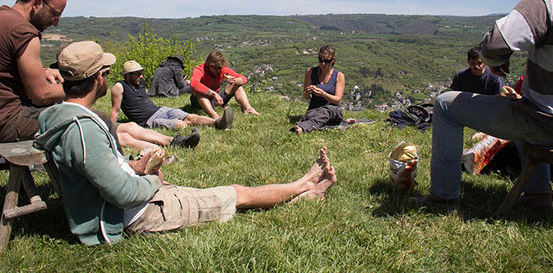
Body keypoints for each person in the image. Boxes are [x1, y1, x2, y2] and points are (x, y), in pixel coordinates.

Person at [35, 41, 337, 245]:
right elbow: (121, 192)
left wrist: (134, 165)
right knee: (236, 193)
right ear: (99, 78)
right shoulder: (82, 128)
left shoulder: (64, 117)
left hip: (140, 198)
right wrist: (151, 179)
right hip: (139, 213)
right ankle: (305, 185)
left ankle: (303, 192)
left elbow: (97, 169)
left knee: (220, 192)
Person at [412, 0, 553, 211]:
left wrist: (500, 64)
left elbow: (493, 45)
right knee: (526, 105)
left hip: (549, 125)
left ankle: (443, 198)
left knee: (445, 105)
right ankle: (538, 197)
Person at [0, 0, 67, 144]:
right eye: (55, 14)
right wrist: (80, 86)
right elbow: (41, 95)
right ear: (37, 3)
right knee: (89, 120)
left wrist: (42, 72)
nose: (55, 23)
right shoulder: (23, 32)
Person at [110, 60, 233, 136]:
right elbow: (116, 110)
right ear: (128, 75)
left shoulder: (140, 83)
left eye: (141, 73)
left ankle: (219, 123)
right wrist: (109, 127)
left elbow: (143, 96)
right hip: (147, 120)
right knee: (181, 124)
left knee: (189, 116)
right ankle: (205, 127)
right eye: (137, 73)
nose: (141, 76)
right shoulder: (120, 86)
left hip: (160, 109)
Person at [292, 45, 356, 134]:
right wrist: (308, 92)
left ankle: (303, 127)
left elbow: (337, 99)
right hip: (314, 109)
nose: (323, 64)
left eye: (327, 61)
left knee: (326, 111)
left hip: (333, 110)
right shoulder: (310, 72)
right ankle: (337, 122)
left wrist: (323, 94)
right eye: (321, 60)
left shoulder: (339, 76)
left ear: (333, 61)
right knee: (317, 115)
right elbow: (307, 96)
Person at [190, 51, 259, 119]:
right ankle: (214, 115)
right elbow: (194, 84)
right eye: (214, 67)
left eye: (219, 68)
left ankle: (248, 108)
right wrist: (213, 93)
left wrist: (236, 80)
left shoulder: (222, 70)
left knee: (237, 85)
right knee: (198, 92)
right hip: (199, 101)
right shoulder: (199, 69)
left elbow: (243, 78)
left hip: (215, 100)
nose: (217, 70)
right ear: (208, 64)